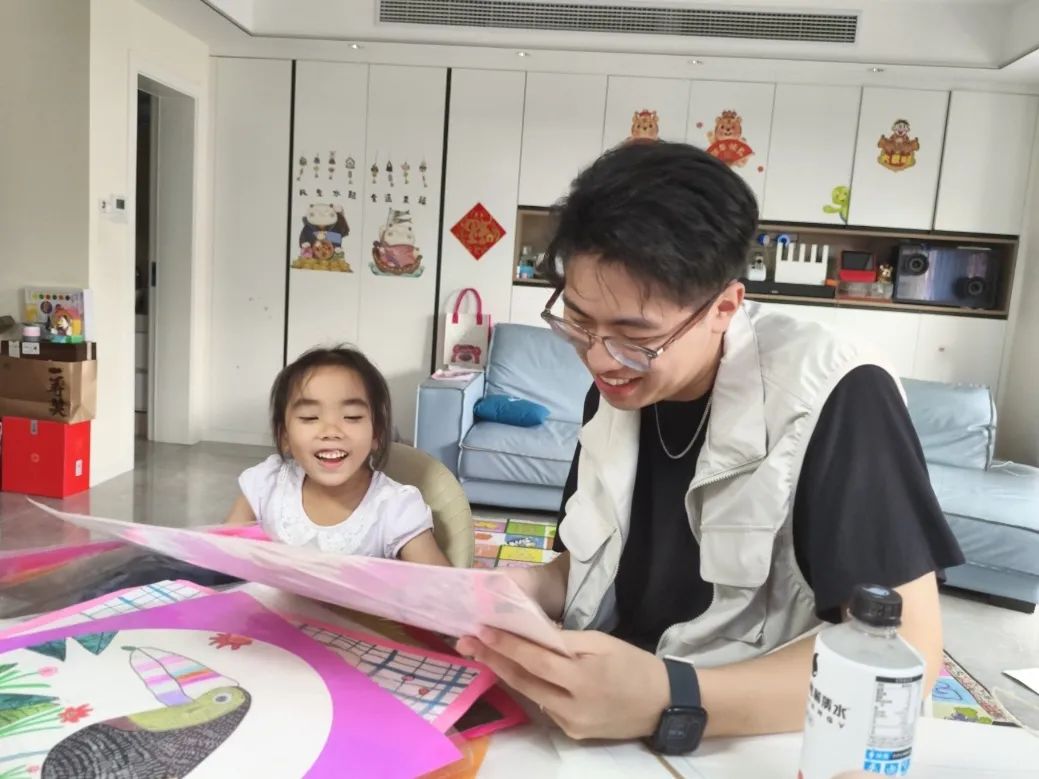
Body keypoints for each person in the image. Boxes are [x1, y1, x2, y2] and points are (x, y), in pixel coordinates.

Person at [457, 141, 963, 751]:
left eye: (635, 336)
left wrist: (671, 696)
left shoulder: (837, 393)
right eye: (580, 322)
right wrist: (524, 590)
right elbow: (595, 567)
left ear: (724, 306)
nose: (598, 358)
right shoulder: (615, 393)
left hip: (755, 739)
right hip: (605, 718)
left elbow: (908, 652)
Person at [225, 346, 449, 566]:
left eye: (351, 417)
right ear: (285, 436)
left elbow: (442, 585)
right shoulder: (266, 484)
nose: (331, 431)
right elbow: (221, 560)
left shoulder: (396, 508)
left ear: (376, 434)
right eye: (310, 417)